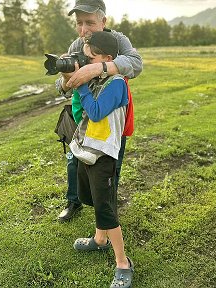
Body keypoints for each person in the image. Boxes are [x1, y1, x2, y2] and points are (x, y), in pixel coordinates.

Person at [56, 0, 143, 222]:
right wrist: (68, 81)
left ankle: (108, 210)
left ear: (103, 21)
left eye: (90, 23)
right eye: (79, 23)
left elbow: (135, 63)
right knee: (74, 160)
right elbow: (62, 88)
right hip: (84, 117)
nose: (84, 30)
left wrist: (98, 67)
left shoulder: (118, 40)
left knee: (111, 164)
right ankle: (74, 201)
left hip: (111, 119)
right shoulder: (76, 46)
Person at [70, 30, 134, 288]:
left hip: (104, 156)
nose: (87, 64)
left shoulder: (117, 82)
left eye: (91, 58)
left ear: (108, 58)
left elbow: (95, 113)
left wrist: (82, 84)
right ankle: (99, 240)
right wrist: (72, 80)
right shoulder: (97, 80)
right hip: (87, 151)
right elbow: (80, 112)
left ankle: (123, 263)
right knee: (93, 201)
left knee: (106, 208)